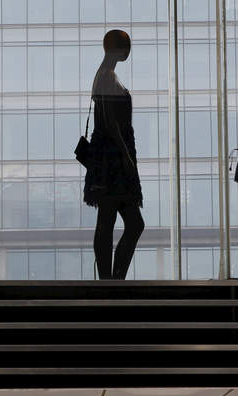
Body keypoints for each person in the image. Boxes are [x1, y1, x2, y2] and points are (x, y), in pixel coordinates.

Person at [84, 30, 144, 280]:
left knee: (108, 219)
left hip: (110, 157)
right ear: (117, 48)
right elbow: (111, 123)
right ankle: (111, 279)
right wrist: (126, 158)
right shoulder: (107, 76)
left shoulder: (105, 75)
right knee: (126, 222)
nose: (128, 51)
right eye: (126, 46)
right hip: (113, 160)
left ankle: (110, 278)